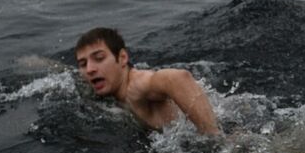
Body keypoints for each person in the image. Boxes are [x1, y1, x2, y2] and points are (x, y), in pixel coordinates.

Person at [74, 27, 221, 136]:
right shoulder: (113, 95)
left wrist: (213, 136)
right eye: (82, 64)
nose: (89, 69)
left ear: (122, 58)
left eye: (99, 58)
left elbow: (178, 78)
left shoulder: (136, 86)